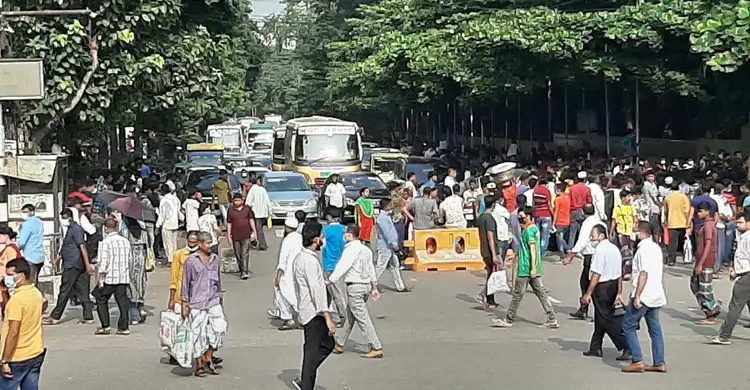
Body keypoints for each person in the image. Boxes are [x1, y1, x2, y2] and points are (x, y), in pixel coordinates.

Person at [491, 206, 558, 329]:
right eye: (519, 218)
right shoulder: (533, 229)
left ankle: (508, 319)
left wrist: (532, 268)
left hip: (527, 267)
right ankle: (551, 318)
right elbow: (527, 248)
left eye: (523, 217)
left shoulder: (529, 231)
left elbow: (532, 249)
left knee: (517, 294)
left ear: (529, 217)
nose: (521, 220)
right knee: (541, 293)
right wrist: (517, 255)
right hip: (533, 267)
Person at [291, 221, 336, 390]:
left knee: (326, 345)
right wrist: (327, 316)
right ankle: (306, 382)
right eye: (322, 236)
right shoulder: (309, 261)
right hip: (313, 312)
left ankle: (305, 377)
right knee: (312, 351)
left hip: (307, 309)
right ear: (316, 239)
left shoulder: (302, 258)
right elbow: (316, 290)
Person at [330, 225, 383, 358]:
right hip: (365, 286)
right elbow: (371, 268)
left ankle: (375, 346)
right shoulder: (366, 250)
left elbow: (343, 265)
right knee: (350, 316)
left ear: (349, 235)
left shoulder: (351, 249)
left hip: (354, 286)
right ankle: (340, 343)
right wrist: (374, 285)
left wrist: (331, 279)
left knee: (362, 318)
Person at [622, 221, 667, 373]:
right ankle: (659, 362)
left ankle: (637, 359)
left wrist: (637, 296)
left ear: (641, 232)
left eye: (635, 230)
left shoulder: (643, 250)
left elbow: (643, 273)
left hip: (645, 294)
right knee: (655, 328)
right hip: (656, 293)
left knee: (628, 325)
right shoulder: (655, 248)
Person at [581, 225, 630, 361]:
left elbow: (597, 273)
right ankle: (595, 346)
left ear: (601, 235)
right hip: (613, 284)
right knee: (600, 316)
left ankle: (626, 345)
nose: (591, 238)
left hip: (602, 286)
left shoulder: (600, 250)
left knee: (606, 319)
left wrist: (588, 293)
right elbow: (619, 272)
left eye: (593, 235)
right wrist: (619, 291)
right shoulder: (614, 249)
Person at [181, 232, 227, 378]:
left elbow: (218, 281)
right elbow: (185, 283)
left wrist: (220, 298)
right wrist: (184, 304)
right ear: (200, 244)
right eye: (207, 243)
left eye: (210, 243)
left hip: (213, 300)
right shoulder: (191, 261)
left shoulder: (215, 260)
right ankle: (199, 365)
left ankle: (209, 356)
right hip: (197, 303)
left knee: (218, 329)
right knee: (197, 335)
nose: (209, 246)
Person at [0, 258, 47, 390]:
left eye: (10, 275)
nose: (6, 278)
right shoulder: (36, 293)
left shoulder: (17, 301)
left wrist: (5, 360)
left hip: (18, 356)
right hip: (35, 352)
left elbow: (13, 332)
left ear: (21, 276)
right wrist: (5, 293)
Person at [45, 209, 95, 325]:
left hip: (73, 264)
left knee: (65, 290)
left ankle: (55, 316)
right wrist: (59, 257)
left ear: (70, 217)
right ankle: (88, 316)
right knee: (82, 291)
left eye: (64, 218)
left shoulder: (76, 229)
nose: (63, 220)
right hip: (73, 262)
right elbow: (67, 245)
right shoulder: (70, 229)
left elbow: (82, 247)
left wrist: (87, 265)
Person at [711, 210, 750, 344]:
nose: (737, 225)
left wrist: (739, 272)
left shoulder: (748, 238)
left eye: (740, 222)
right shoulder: (743, 236)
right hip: (744, 273)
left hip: (746, 275)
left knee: (735, 306)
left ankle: (724, 335)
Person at [564, 204, 606, 319]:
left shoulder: (587, 224)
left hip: (590, 256)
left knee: (586, 283)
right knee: (595, 283)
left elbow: (582, 241)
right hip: (600, 255)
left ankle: (586, 308)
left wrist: (571, 255)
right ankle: (586, 309)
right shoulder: (600, 223)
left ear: (583, 212)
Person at [92, 218, 132, 335]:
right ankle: (124, 327)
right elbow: (129, 259)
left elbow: (104, 263)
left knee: (101, 299)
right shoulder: (125, 241)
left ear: (105, 228)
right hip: (123, 277)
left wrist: (100, 278)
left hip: (110, 278)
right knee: (122, 302)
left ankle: (105, 325)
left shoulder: (105, 242)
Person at [270, 217, 303, 331]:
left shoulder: (287, 240)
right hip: (299, 270)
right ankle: (301, 317)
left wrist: (278, 275)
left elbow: (283, 259)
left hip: (287, 272)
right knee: (297, 293)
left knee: (281, 292)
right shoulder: (300, 237)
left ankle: (288, 318)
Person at [691, 202, 721, 324]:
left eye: (701, 211)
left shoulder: (708, 225)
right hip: (702, 259)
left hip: (706, 260)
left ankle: (712, 310)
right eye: (698, 211)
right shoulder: (707, 224)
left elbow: (708, 245)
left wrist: (700, 264)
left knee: (704, 287)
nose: (699, 213)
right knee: (695, 284)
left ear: (708, 212)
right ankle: (709, 309)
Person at [375, 199, 410, 292]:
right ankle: (371, 285)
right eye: (390, 204)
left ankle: (400, 286)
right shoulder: (382, 218)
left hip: (390, 245)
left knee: (395, 266)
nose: (391, 206)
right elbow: (387, 233)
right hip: (385, 246)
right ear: (386, 206)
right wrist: (394, 244)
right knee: (380, 266)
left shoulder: (386, 216)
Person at [322, 214, 347, 323]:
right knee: (328, 291)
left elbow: (322, 244)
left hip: (329, 264)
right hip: (341, 262)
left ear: (329, 217)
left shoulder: (327, 231)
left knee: (335, 292)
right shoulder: (344, 229)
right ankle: (323, 312)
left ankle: (343, 315)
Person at [476, 195, 500, 309]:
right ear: (493, 205)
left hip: (483, 249)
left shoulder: (481, 217)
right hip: (490, 250)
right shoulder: (489, 219)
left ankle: (490, 299)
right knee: (492, 275)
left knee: (491, 273)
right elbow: (491, 237)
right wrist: (494, 254)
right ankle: (484, 295)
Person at [227, 193, 257, 279]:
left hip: (246, 235)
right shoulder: (231, 210)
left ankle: (245, 271)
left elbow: (251, 220)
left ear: (242, 200)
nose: (236, 202)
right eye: (235, 200)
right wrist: (229, 236)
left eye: (238, 200)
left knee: (245, 253)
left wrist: (255, 232)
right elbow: (229, 223)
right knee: (238, 254)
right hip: (235, 236)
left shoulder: (247, 209)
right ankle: (241, 268)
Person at [664, 179, 691, 266]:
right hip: (683, 221)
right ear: (679, 187)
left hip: (672, 222)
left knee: (672, 242)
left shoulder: (668, 198)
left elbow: (666, 211)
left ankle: (671, 260)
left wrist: (667, 219)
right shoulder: (684, 197)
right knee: (683, 241)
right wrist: (689, 222)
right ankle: (685, 257)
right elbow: (687, 210)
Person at [17, 204, 46, 284]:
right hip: (40, 255)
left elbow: (22, 242)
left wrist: (16, 248)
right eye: (22, 212)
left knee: (31, 282)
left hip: (30, 256)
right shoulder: (39, 222)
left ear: (32, 212)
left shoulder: (27, 224)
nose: (23, 214)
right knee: (35, 280)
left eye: (26, 212)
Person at [156, 184, 183, 265]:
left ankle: (170, 260)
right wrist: (182, 219)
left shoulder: (163, 200)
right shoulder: (176, 199)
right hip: (175, 223)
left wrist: (158, 225)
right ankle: (175, 258)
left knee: (168, 243)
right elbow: (178, 211)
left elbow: (162, 214)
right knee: (174, 243)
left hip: (167, 224)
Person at [245, 176, 272, 251]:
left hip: (256, 213)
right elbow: (268, 202)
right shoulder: (263, 190)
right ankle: (256, 242)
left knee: (257, 229)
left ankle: (262, 244)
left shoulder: (252, 190)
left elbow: (248, 203)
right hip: (264, 213)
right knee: (259, 229)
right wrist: (270, 212)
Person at [553, 182, 572, 256]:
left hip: (559, 220)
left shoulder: (558, 199)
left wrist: (553, 223)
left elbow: (556, 211)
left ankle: (563, 252)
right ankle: (566, 250)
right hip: (567, 220)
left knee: (559, 238)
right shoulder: (568, 198)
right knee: (562, 236)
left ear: (559, 189)